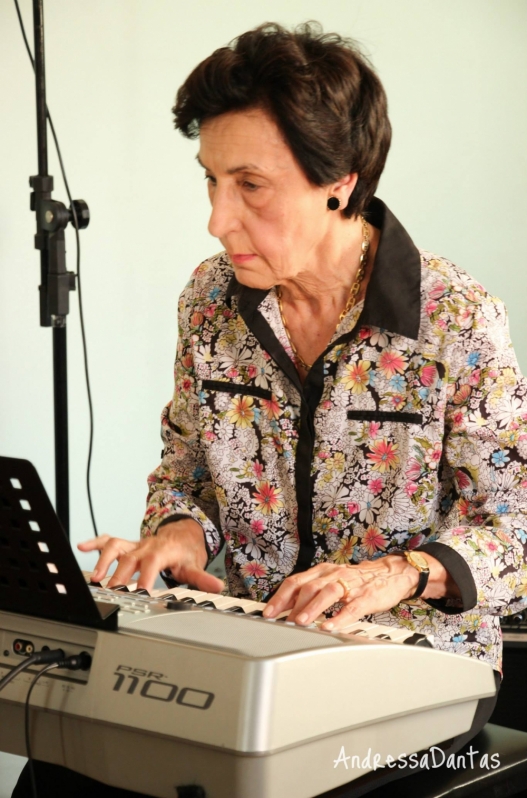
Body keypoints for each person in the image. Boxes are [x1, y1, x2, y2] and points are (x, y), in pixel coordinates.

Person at [14, 20, 527, 798]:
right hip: (247, 655)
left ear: (341, 179)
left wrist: (396, 575)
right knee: (60, 774)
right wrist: (178, 533)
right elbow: (184, 472)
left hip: (416, 667)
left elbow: (515, 528)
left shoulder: (455, 318)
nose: (218, 220)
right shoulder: (209, 299)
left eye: (249, 186)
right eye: (209, 181)